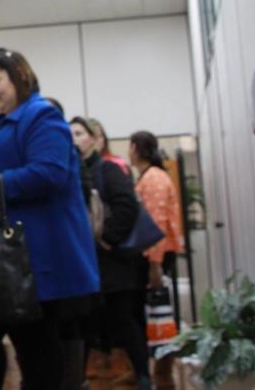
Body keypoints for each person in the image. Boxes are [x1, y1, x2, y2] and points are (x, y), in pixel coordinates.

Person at [0, 48, 99, 390]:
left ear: (19, 76)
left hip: (31, 258)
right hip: (1, 257)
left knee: (36, 353)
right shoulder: (1, 124)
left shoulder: (41, 116)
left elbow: (50, 173)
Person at [71, 117, 150, 390]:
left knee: (123, 320)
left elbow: (127, 206)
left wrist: (107, 239)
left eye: (79, 133)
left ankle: (143, 376)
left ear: (95, 139)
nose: (73, 139)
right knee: (82, 324)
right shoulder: (69, 172)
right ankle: (78, 378)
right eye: (69, 134)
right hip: (84, 262)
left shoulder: (108, 169)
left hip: (112, 263)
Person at [131, 130, 184, 390]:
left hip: (155, 254)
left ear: (136, 149)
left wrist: (154, 262)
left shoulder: (152, 178)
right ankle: (158, 365)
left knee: (158, 311)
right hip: (157, 253)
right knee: (156, 311)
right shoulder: (154, 175)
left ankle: (162, 368)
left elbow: (154, 223)